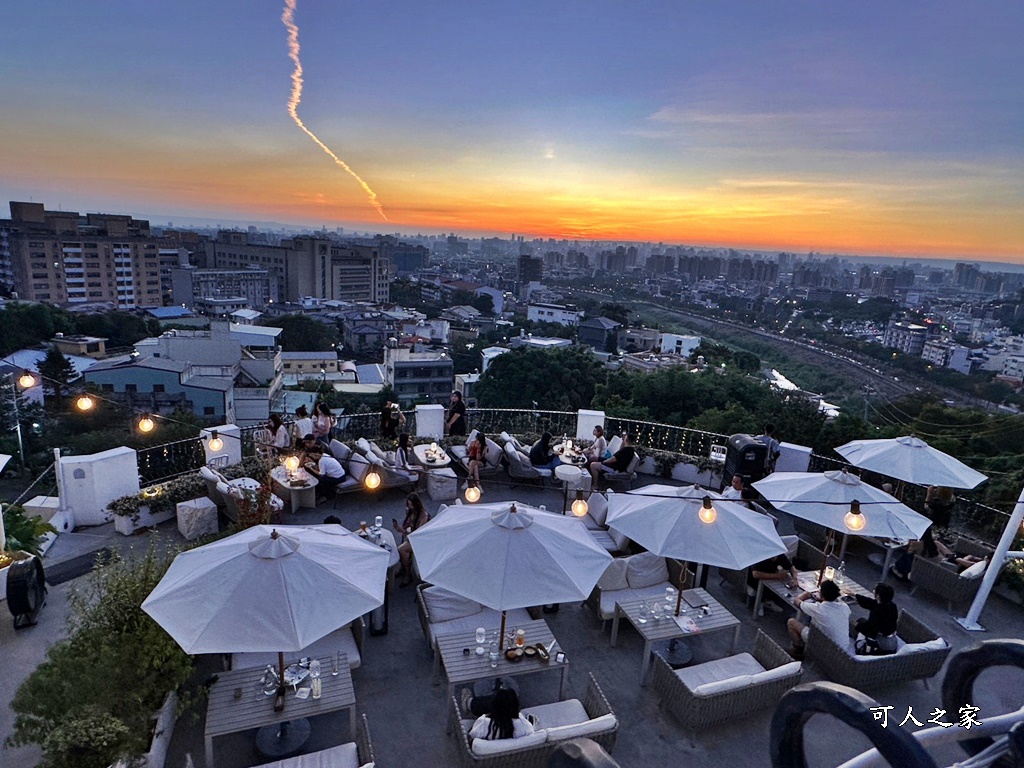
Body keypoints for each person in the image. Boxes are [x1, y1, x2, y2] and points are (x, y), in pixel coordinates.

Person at [786, 579, 851, 660]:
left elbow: (797, 601)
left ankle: (798, 649)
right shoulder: (845, 607)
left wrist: (805, 594)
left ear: (822, 594)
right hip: (842, 649)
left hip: (824, 646)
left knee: (791, 622)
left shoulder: (818, 609)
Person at [466, 687, 536, 742]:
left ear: (493, 705)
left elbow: (470, 737)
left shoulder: (483, 723)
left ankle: (469, 703)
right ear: (516, 705)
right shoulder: (525, 726)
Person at [393, 492, 429, 586]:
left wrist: (404, 532)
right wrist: (400, 528)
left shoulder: (423, 516)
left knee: (401, 549)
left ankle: (408, 574)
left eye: (411, 505)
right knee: (401, 548)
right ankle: (404, 567)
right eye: (408, 504)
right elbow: (408, 524)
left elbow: (418, 535)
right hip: (413, 537)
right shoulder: (411, 512)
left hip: (421, 540)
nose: (409, 507)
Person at [853, 583, 898, 654]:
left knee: (855, 625)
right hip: (892, 639)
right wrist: (855, 596)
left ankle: (860, 646)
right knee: (861, 620)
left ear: (878, 595)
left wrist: (857, 625)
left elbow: (870, 629)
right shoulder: (891, 606)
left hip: (883, 643)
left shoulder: (878, 612)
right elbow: (872, 603)